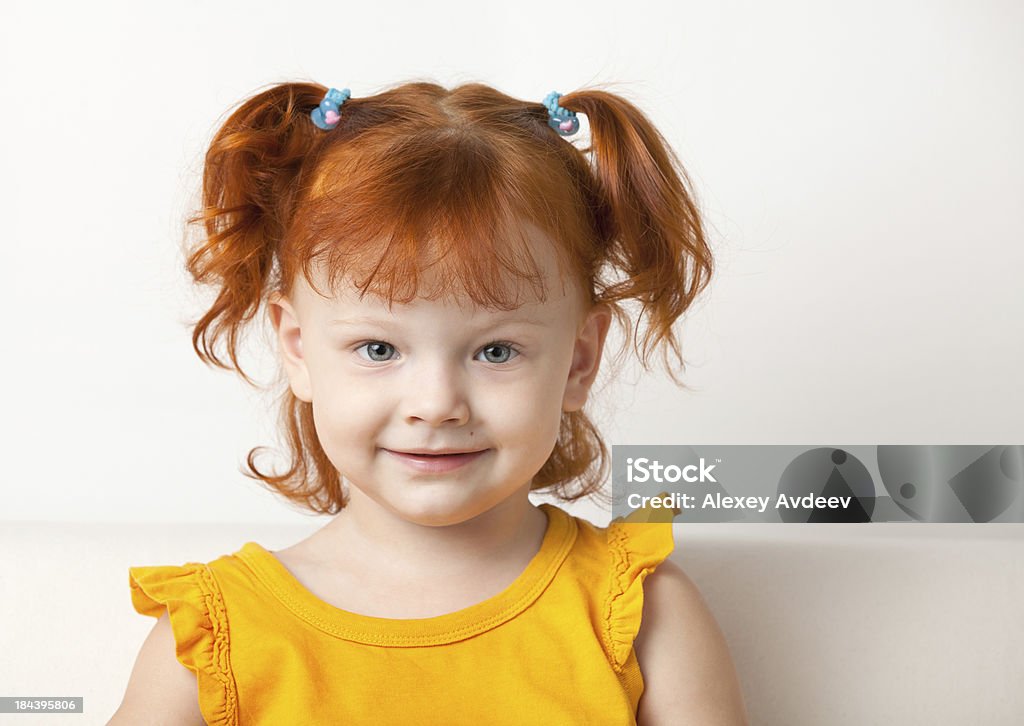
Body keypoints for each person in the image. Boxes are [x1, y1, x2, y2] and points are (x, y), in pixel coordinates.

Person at [108, 80, 749, 725]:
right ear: (298, 349)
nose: (436, 405)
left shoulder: (638, 612)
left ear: (579, 360)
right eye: (379, 350)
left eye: (496, 351)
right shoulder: (209, 639)